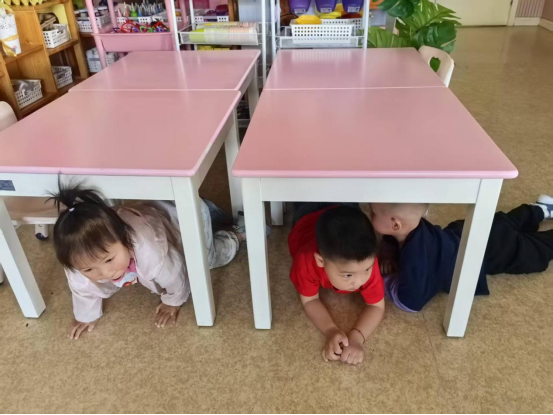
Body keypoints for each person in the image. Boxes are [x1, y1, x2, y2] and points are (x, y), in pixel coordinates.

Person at [50, 183, 245, 340]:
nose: (106, 273)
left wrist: (172, 301)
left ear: (125, 239)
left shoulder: (149, 249)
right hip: (155, 212)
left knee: (205, 260)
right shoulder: (78, 263)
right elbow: (82, 288)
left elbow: (175, 274)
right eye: (88, 269)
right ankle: (213, 214)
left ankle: (238, 233)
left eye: (109, 259)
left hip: (183, 217)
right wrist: (86, 316)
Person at [370, 196, 553, 312]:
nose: (369, 216)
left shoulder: (416, 261)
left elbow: (410, 302)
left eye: (373, 214)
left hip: (492, 251)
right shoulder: (411, 227)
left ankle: (540, 214)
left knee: (536, 250)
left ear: (395, 225)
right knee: (503, 221)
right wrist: (388, 255)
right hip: (465, 230)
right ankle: (538, 209)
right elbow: (390, 240)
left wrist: (381, 277)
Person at [289, 203, 385, 366]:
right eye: (348, 275)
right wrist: (330, 330)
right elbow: (310, 300)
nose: (359, 281)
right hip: (307, 210)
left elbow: (377, 306)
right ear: (320, 261)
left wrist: (357, 338)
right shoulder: (305, 261)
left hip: (347, 207)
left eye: (367, 270)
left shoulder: (366, 260)